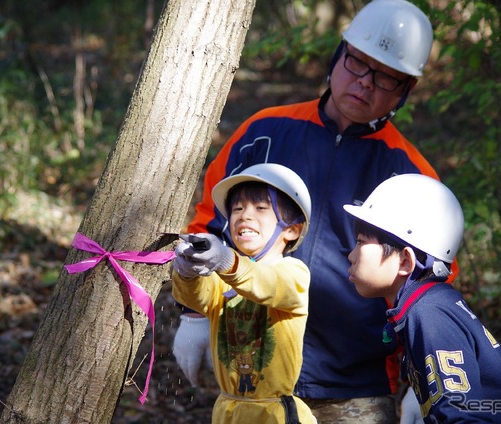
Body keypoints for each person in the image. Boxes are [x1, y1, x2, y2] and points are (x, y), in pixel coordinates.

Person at [174, 0, 444, 421]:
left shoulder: (411, 175)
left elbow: (429, 287)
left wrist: (425, 376)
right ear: (339, 56)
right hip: (254, 372)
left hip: (355, 385)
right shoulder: (263, 131)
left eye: (387, 78)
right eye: (357, 64)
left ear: (406, 90)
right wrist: (192, 314)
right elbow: (212, 219)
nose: (365, 84)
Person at [344, 173, 501, 423]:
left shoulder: (430, 315)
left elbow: (462, 417)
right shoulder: (432, 304)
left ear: (405, 261)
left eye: (361, 243)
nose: (351, 255)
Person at [171, 163, 317, 424]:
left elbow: (267, 284)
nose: (245, 216)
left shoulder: (294, 272)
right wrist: (187, 272)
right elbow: (196, 297)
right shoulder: (224, 277)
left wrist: (227, 260)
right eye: (237, 208)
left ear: (291, 230)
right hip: (228, 410)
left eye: (261, 208)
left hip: (274, 414)